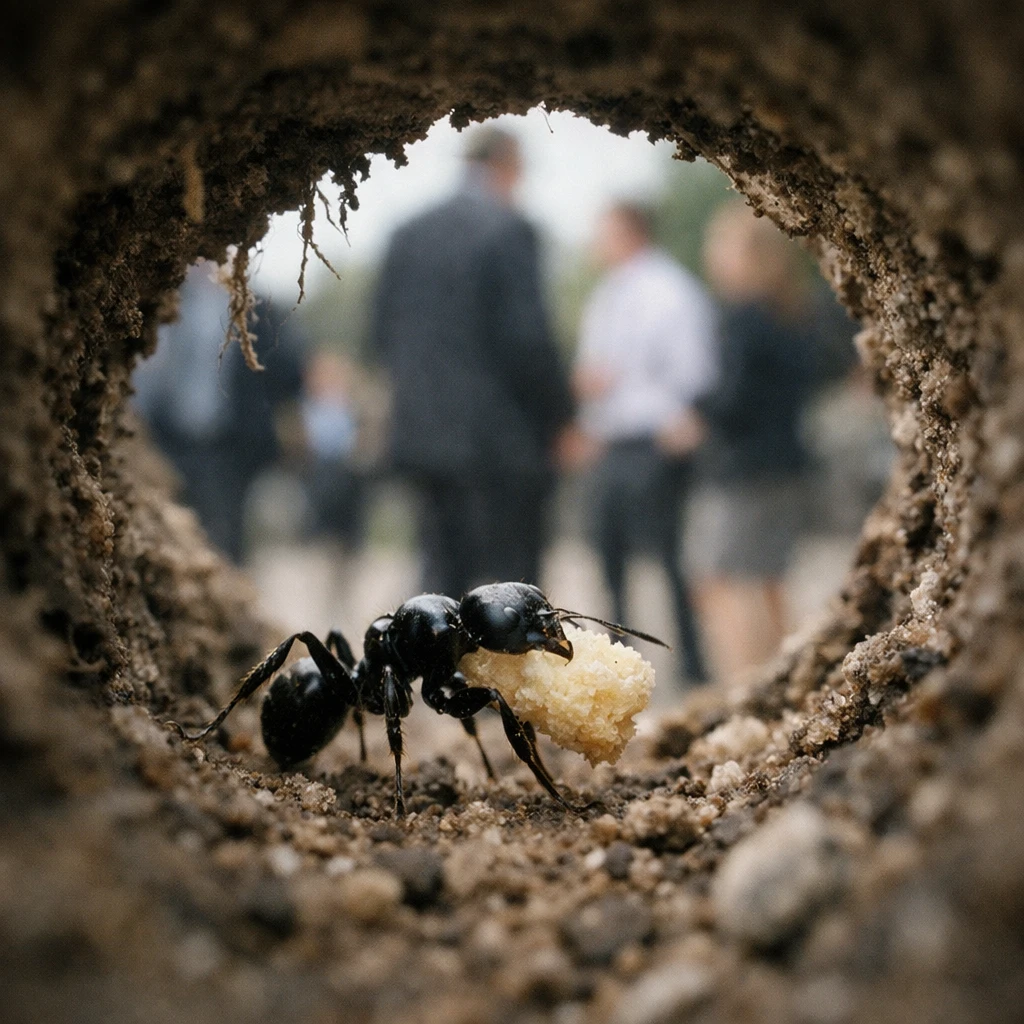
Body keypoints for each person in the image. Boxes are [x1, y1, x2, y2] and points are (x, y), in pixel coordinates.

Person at [370, 126, 574, 597]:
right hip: (500, 442)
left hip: (423, 437)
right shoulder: (508, 228)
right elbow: (527, 341)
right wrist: (562, 417)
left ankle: (442, 672)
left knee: (440, 582)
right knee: (513, 588)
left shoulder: (406, 233)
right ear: (508, 165)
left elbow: (380, 336)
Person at [574, 200, 717, 686]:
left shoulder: (670, 290)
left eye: (604, 233)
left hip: (656, 440)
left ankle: (692, 665)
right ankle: (621, 662)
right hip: (613, 441)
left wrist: (682, 417)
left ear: (631, 231)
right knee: (608, 553)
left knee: (669, 555)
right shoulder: (605, 295)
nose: (596, 244)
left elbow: (693, 367)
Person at [694, 201, 816, 683]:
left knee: (719, 580)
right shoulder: (794, 314)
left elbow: (732, 401)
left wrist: (695, 410)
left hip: (743, 471)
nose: (714, 259)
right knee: (769, 581)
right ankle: (788, 678)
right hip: (787, 465)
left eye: (720, 248)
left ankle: (743, 683)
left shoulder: (743, 319)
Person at [133, 260, 305, 563]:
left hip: (229, 448)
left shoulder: (256, 309)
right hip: (167, 441)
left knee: (224, 542)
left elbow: (291, 372)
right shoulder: (160, 301)